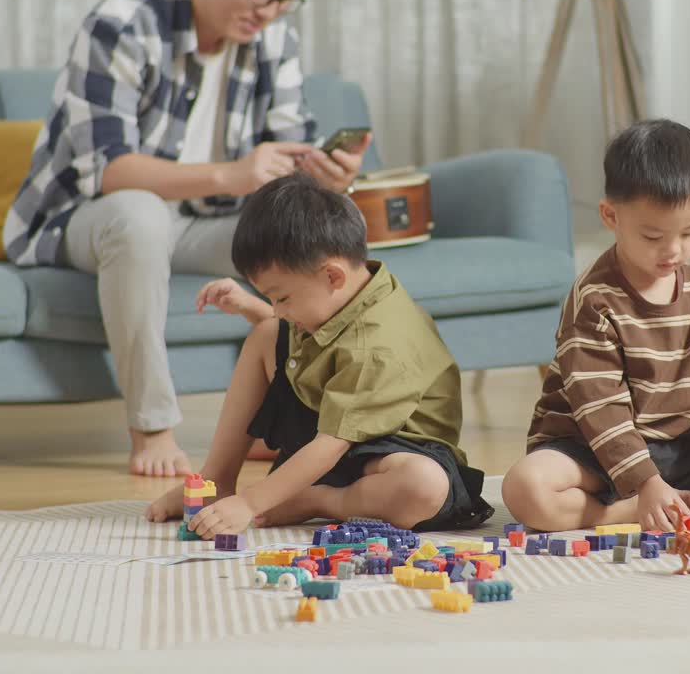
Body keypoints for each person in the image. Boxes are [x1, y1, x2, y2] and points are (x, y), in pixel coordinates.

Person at [3, 0, 371, 477]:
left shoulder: (273, 38)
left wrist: (327, 181)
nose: (268, 10)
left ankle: (301, 422)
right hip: (90, 217)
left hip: (206, 222)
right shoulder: (125, 23)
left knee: (319, 238)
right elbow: (106, 169)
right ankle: (151, 427)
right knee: (140, 216)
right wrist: (232, 175)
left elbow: (291, 157)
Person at [145, 174, 494, 535]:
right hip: (331, 431)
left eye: (282, 297)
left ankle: (320, 499)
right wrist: (253, 307)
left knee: (423, 487)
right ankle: (216, 479)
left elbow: (332, 443)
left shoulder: (377, 346)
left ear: (332, 275)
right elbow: (319, 343)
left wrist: (252, 503)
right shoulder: (337, 297)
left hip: (391, 450)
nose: (278, 309)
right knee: (267, 334)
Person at [500, 119, 690, 532]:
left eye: (689, 232)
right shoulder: (595, 300)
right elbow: (600, 410)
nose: (673, 250)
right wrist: (644, 483)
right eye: (653, 236)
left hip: (677, 446)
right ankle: (624, 511)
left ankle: (669, 500)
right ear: (610, 215)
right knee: (525, 489)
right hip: (593, 444)